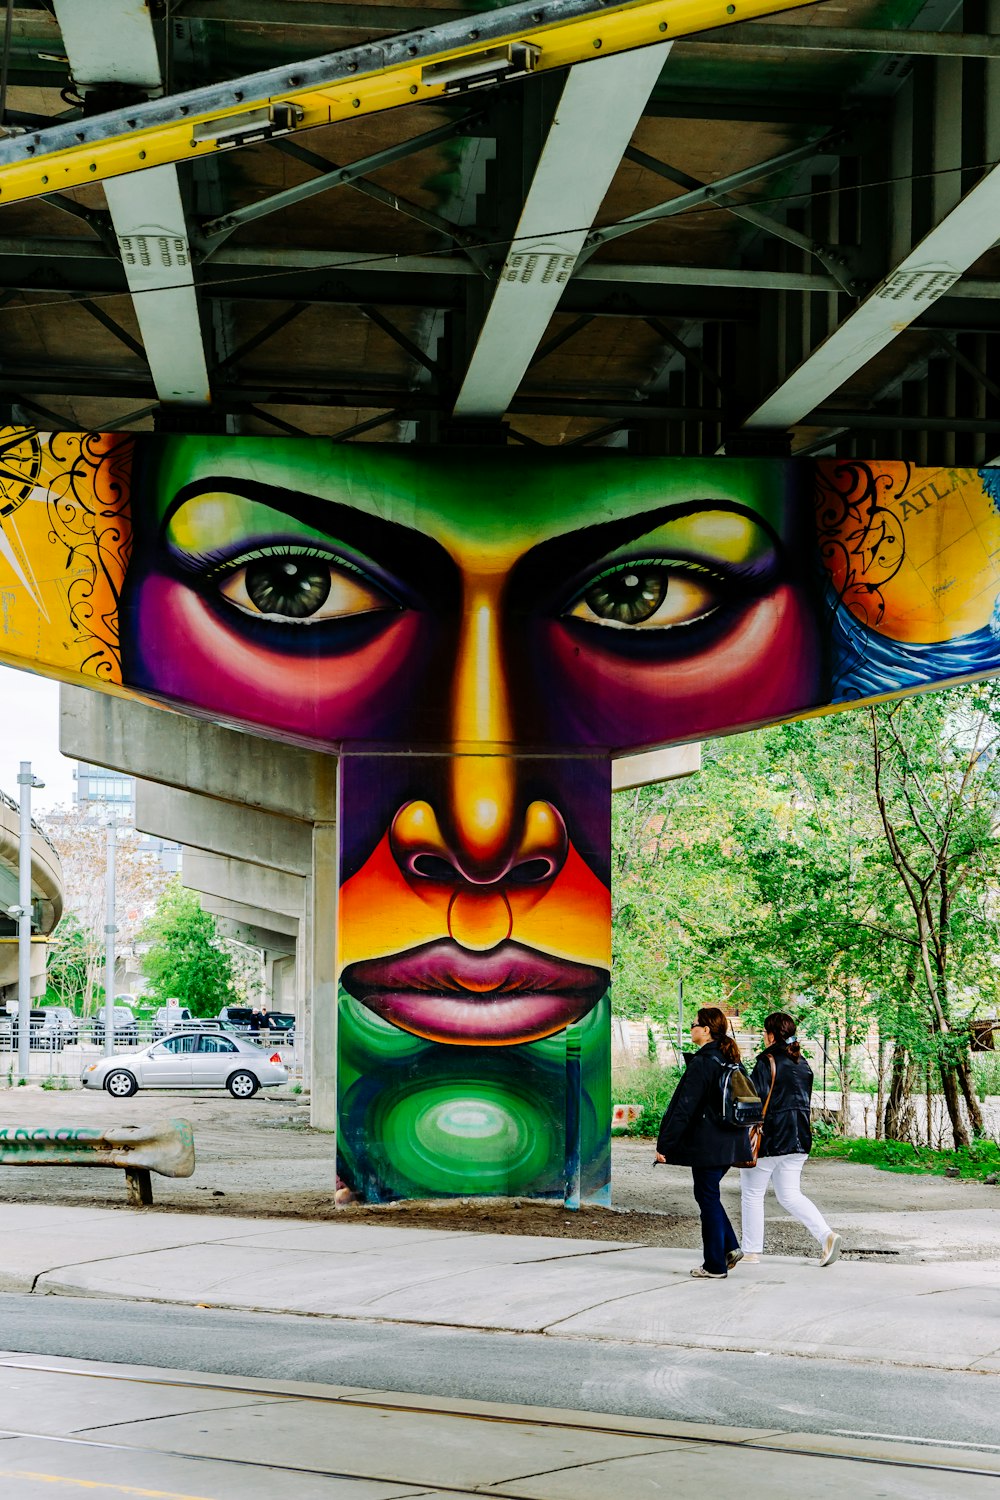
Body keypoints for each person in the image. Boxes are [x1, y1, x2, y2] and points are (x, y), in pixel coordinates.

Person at [655, 1007, 750, 1279]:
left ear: (706, 1030)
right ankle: (730, 1247)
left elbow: (684, 1108)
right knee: (707, 1194)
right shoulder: (730, 1059)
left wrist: (666, 1144)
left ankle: (715, 1265)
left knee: (707, 1198)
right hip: (732, 1142)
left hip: (709, 1145)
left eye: (695, 1024)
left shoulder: (705, 1062)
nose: (691, 1029)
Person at [739, 1011, 841, 1266]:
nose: (763, 1036)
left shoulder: (767, 1060)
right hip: (799, 1138)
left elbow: (754, 1098)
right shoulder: (802, 1062)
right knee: (790, 1195)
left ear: (771, 1034)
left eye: (764, 1032)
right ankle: (826, 1236)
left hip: (771, 1138)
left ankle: (751, 1251)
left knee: (752, 1193)